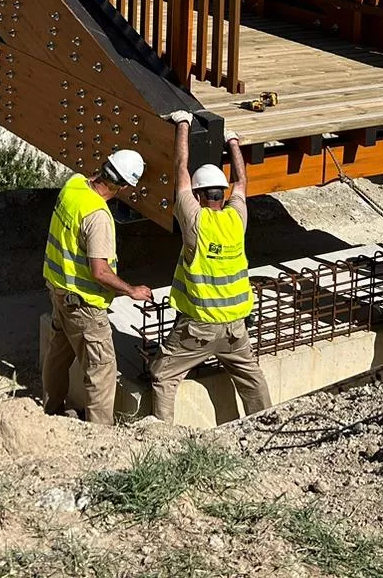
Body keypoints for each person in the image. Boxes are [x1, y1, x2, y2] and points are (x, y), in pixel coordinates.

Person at [147, 113, 272, 421]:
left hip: (199, 327)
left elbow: (180, 170)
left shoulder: (195, 221)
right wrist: (233, 142)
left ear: (200, 196)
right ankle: (267, 420)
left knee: (163, 376)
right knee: (251, 377)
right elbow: (242, 181)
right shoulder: (237, 219)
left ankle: (162, 437)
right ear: (222, 193)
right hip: (235, 327)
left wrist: (183, 125)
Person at [41, 148, 154, 425]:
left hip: (59, 291)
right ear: (123, 186)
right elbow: (100, 271)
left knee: (59, 353)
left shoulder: (73, 185)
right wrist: (131, 290)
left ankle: (50, 410)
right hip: (84, 305)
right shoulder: (99, 217)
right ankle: (99, 434)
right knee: (101, 370)